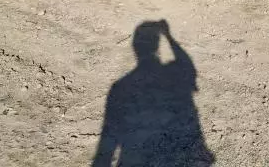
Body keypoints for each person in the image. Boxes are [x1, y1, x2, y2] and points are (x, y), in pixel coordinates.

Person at [92, 20, 214, 166]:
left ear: (135, 48)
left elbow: (106, 142)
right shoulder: (172, 76)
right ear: (157, 47)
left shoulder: (120, 87)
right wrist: (169, 36)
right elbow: (187, 66)